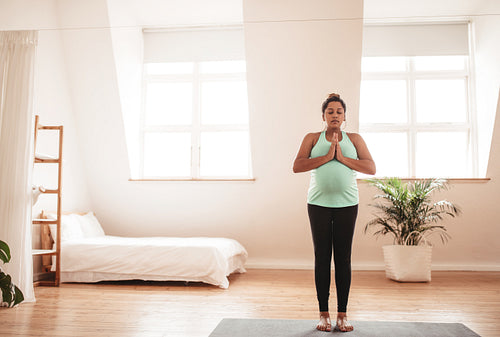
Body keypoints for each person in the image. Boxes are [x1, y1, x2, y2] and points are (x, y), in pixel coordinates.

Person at [293, 93, 376, 332]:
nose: (335, 115)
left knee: (343, 258)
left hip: (347, 205)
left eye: (339, 112)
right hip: (318, 204)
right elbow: (297, 165)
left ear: (345, 116)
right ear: (323, 116)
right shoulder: (312, 138)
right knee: (322, 258)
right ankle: (323, 314)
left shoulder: (354, 139)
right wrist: (327, 156)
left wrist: (342, 157)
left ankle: (342, 314)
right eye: (330, 112)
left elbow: (370, 167)